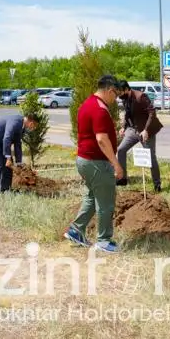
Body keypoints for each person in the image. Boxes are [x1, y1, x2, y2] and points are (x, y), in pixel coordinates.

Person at [64, 75, 124, 253]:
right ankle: (104, 241)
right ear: (108, 90)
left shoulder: (87, 104)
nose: (116, 99)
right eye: (116, 94)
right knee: (105, 202)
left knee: (92, 196)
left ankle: (76, 230)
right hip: (96, 162)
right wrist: (116, 164)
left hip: (84, 160)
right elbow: (101, 140)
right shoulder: (99, 108)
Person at [115, 80, 163, 191]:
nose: (119, 95)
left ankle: (157, 184)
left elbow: (152, 112)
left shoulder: (141, 96)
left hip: (146, 131)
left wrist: (146, 130)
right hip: (133, 130)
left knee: (151, 157)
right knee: (121, 150)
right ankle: (122, 179)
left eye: (120, 93)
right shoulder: (125, 99)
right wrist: (124, 126)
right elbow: (128, 113)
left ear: (126, 89)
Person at [0, 113, 40, 198]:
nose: (33, 128)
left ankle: (5, 190)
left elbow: (18, 144)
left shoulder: (22, 127)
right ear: (31, 122)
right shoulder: (16, 121)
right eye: (34, 125)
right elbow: (7, 137)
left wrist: (19, 163)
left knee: (8, 166)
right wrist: (7, 157)